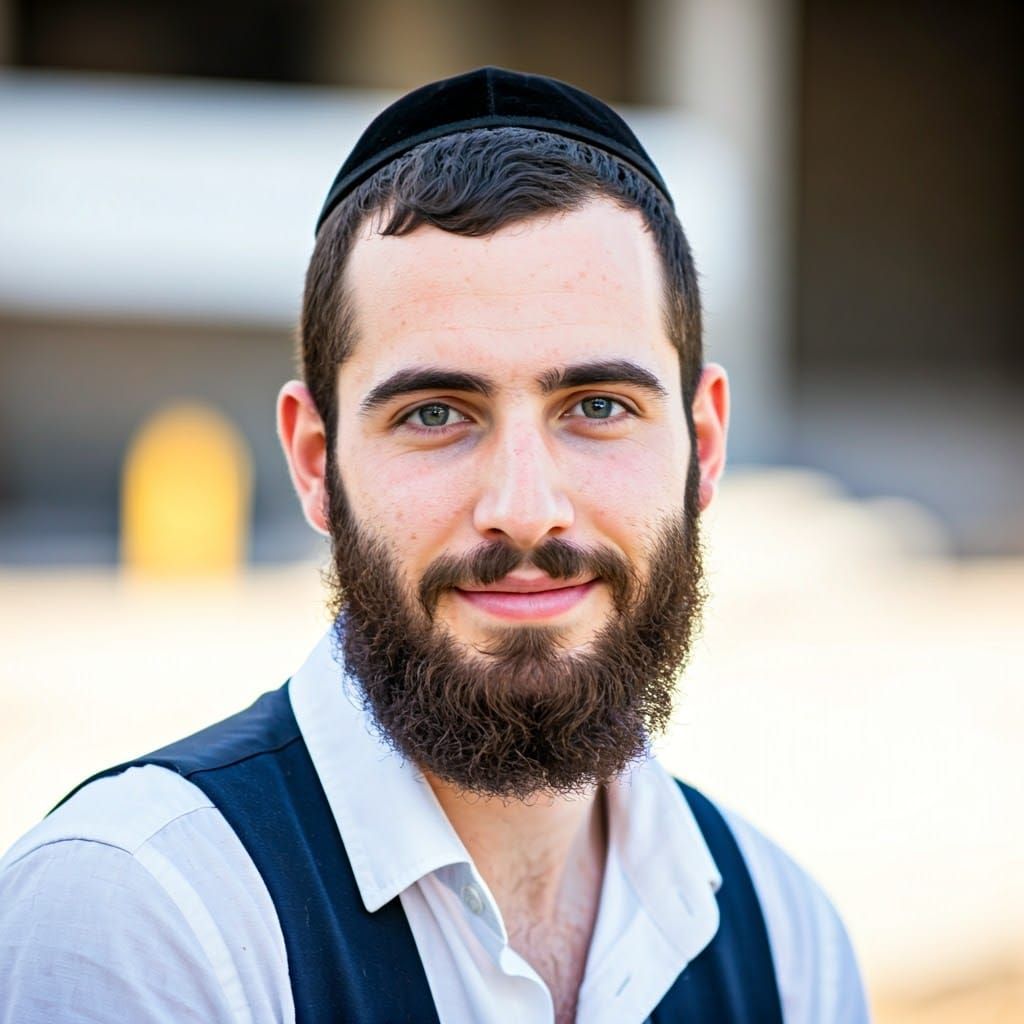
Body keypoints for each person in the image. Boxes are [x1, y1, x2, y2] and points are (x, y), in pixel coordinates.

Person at [0, 67, 869, 1023]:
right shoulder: (144, 913)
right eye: (436, 414)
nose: (526, 511)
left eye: (598, 406)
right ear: (315, 461)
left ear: (703, 445)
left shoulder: (788, 940)